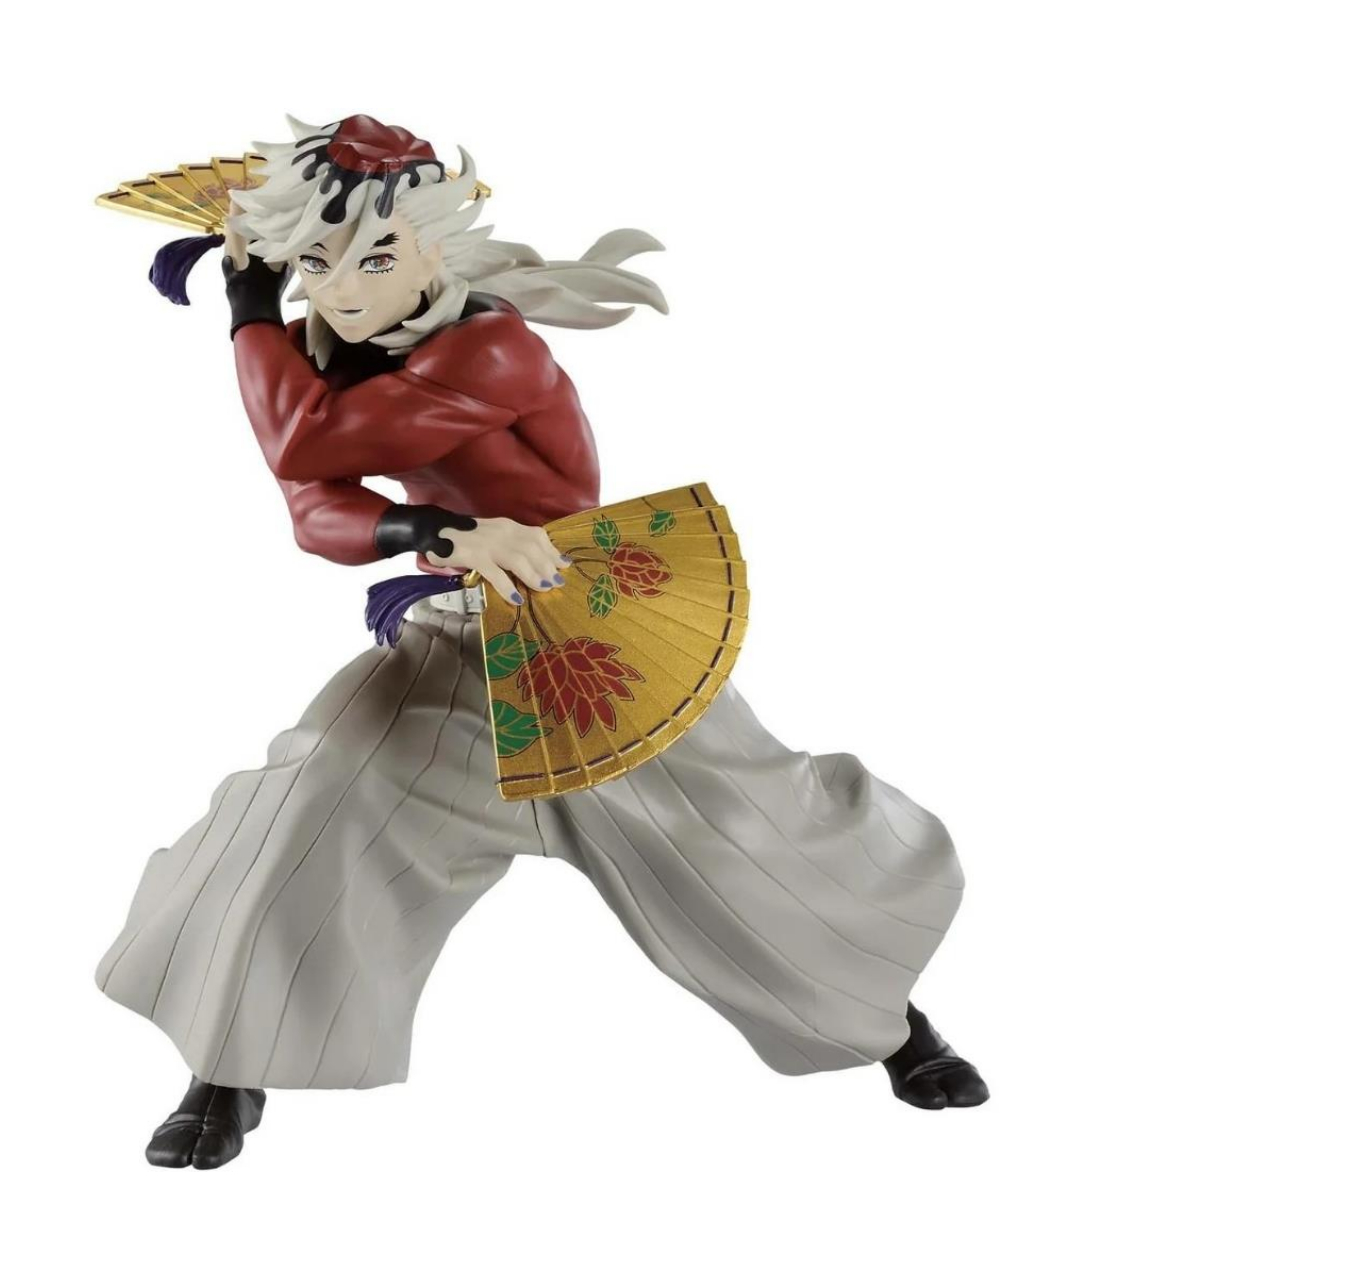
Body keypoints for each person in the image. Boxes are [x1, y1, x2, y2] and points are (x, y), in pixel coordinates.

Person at [96, 113, 988, 1171]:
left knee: (735, 842)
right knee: (310, 803)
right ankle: (232, 1061)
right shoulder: (312, 358)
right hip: (456, 628)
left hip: (584, 628)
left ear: (433, 245)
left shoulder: (493, 347)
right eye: (315, 261)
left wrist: (247, 310)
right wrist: (431, 533)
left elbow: (306, 441)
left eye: (375, 256)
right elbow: (314, 509)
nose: (339, 287)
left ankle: (888, 1023)